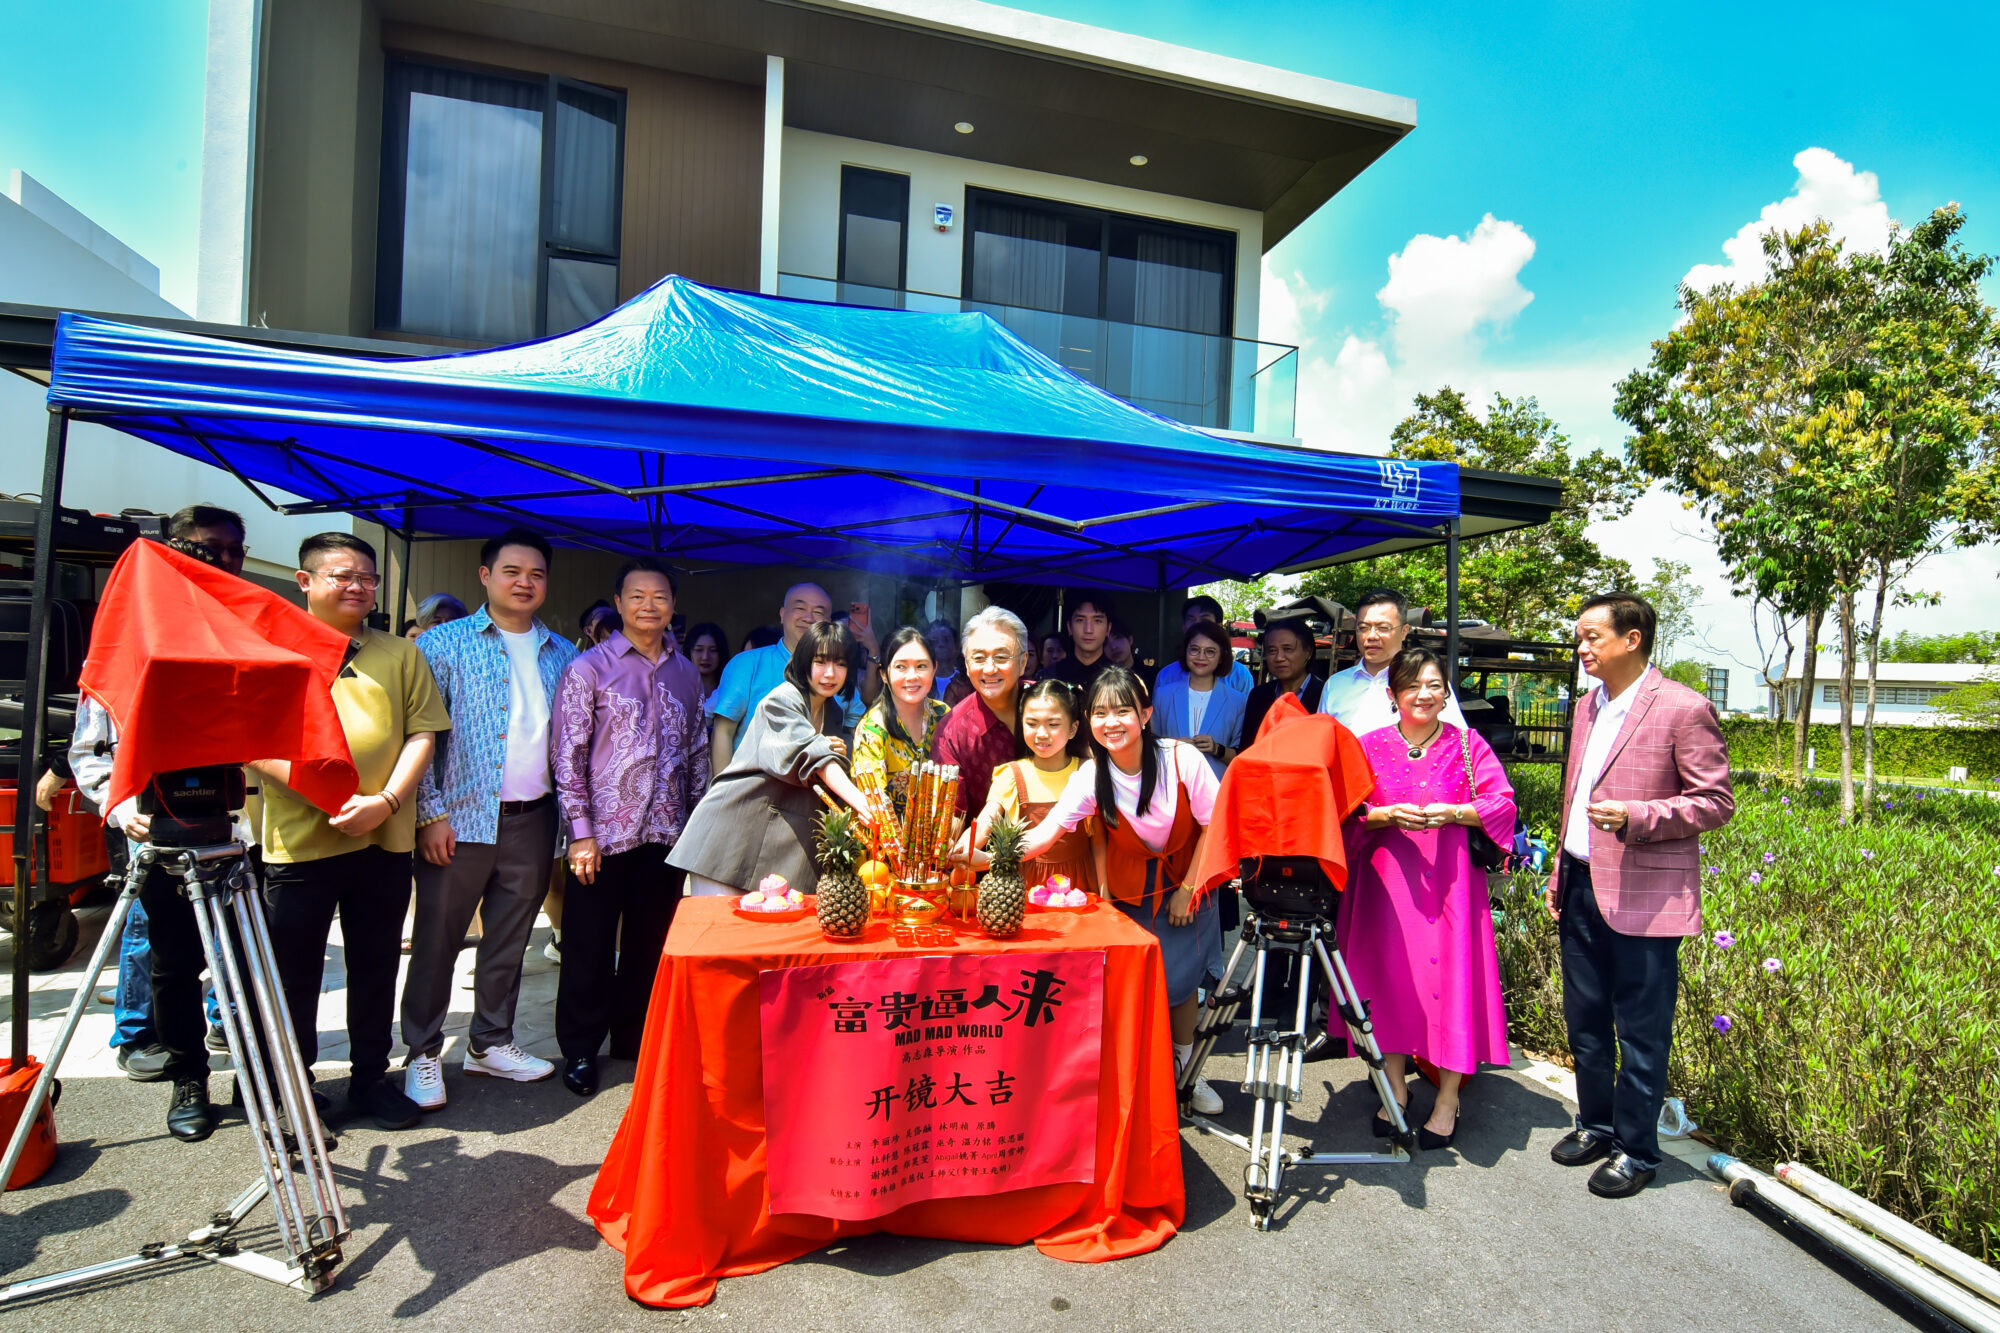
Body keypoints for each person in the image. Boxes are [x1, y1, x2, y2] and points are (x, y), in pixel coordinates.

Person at [251, 532, 449, 1131]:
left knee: (375, 963)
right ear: (305, 581)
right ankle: (293, 1085)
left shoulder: (401, 654)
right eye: (343, 575)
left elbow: (422, 733)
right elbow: (251, 739)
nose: (359, 586)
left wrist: (386, 801)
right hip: (300, 840)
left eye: (367, 577)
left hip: (382, 837)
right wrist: (332, 796)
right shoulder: (271, 646)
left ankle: (369, 1079)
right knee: (294, 972)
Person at [1548, 592, 1733, 1198]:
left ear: (1632, 639)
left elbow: (1715, 802)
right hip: (1581, 881)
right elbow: (1574, 795)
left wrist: (1637, 815)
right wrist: (1558, 873)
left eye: (1591, 637)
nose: (1581, 648)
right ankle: (1595, 1125)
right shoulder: (1587, 706)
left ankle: (1636, 1151)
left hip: (1645, 895)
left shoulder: (1683, 707)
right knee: (1586, 1022)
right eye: (1579, 636)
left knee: (1640, 1032)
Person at [401, 529, 576, 1111]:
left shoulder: (563, 653)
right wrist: (429, 813)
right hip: (458, 819)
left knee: (510, 939)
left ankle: (490, 1042)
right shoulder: (443, 644)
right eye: (512, 571)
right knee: (438, 940)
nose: (525, 583)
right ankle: (423, 1052)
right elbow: (417, 735)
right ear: (485, 576)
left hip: (534, 819)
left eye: (537, 574)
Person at [1016, 669, 1225, 1116]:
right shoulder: (1093, 773)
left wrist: (1188, 890)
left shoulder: (1181, 759)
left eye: (1122, 711)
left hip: (1187, 878)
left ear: (1145, 714)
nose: (1111, 722)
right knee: (1133, 986)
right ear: (1088, 720)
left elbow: (1216, 825)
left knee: (1181, 983)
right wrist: (979, 855)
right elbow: (1046, 834)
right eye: (1100, 712)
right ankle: (1142, 1074)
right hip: (1131, 888)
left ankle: (1189, 1071)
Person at [1341, 647, 1516, 1151]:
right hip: (1387, 885)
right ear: (1393, 693)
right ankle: (1395, 1086)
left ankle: (1447, 1098)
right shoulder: (1367, 745)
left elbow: (1502, 803)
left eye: (1435, 685)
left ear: (1446, 692)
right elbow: (1344, 811)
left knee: (1453, 981)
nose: (1425, 694)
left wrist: (1455, 813)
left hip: (1451, 886)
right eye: (1413, 685)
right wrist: (1383, 816)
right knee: (1390, 982)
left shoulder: (1468, 743)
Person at [550, 557, 711, 1097]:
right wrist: (580, 831)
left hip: (666, 832)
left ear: (673, 605)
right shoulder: (588, 669)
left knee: (649, 942)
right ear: (618, 603)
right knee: (588, 943)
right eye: (637, 596)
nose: (649, 606)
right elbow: (567, 756)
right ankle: (579, 1048)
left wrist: (697, 830)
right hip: (602, 835)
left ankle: (634, 1037)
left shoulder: (686, 673)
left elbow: (697, 753)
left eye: (659, 596)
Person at [671, 621, 873, 896]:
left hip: (778, 845)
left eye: (840, 664)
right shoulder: (782, 700)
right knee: (718, 922)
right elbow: (817, 758)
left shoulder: (833, 713)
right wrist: (863, 802)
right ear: (803, 662)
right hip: (729, 835)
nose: (830, 673)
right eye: (820, 661)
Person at [966, 678, 1096, 892]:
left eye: (1053, 724)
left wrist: (1104, 890)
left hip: (1079, 884)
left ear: (1073, 728)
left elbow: (1099, 842)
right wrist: (963, 852)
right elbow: (983, 824)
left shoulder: (1087, 772)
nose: (1042, 734)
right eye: (1032, 724)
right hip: (1024, 886)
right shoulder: (1012, 775)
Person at [711, 582, 853, 771]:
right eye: (800, 608)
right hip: (752, 783)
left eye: (818, 612)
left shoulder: (834, 676)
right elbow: (723, 731)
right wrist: (722, 786)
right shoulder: (748, 663)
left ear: (829, 622)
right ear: (782, 614)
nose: (809, 618)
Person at [1319, 588, 1464, 737]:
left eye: (1383, 628)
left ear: (1404, 631)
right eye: (1363, 628)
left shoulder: (1427, 686)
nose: (1372, 636)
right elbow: (1323, 741)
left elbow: (1455, 741)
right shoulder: (1335, 684)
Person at [934, 606, 1031, 824]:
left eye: (1001, 657)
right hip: (983, 844)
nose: (989, 669)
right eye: (979, 658)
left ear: (1023, 662)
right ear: (967, 665)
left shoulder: (1054, 706)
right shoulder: (953, 731)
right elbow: (951, 816)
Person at [851, 626, 949, 821]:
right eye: (901, 667)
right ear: (884, 674)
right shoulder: (872, 729)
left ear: (934, 669)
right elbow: (876, 807)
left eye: (921, 666)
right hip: (885, 834)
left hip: (940, 833)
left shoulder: (944, 715)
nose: (912, 676)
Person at [1151, 620, 1246, 779]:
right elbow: (1149, 744)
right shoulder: (1163, 695)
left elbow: (1241, 756)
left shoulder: (1237, 701)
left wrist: (1217, 749)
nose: (1201, 657)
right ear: (1185, 651)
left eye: (1210, 651)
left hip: (1215, 786)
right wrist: (1173, 746)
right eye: (1194, 649)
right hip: (1171, 783)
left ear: (1221, 657)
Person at [1153, 595, 1254, 696]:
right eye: (1191, 619)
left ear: (1219, 627)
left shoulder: (1239, 675)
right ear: (1183, 627)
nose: (1197, 625)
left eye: (1205, 620)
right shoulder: (1166, 675)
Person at [1242, 618, 1326, 740]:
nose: (1279, 658)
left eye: (1287, 649)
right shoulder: (1258, 696)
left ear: (1308, 652)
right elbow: (1248, 746)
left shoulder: (1324, 694)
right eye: (1272, 651)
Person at [1043, 591, 1117, 692]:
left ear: (1108, 629)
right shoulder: (1049, 677)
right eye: (1080, 620)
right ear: (1069, 627)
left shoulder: (1121, 679)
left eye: (1097, 621)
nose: (1088, 630)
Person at [685, 621, 730, 716]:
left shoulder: (729, 688)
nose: (705, 657)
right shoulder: (679, 688)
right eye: (699, 650)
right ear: (689, 651)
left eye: (713, 650)